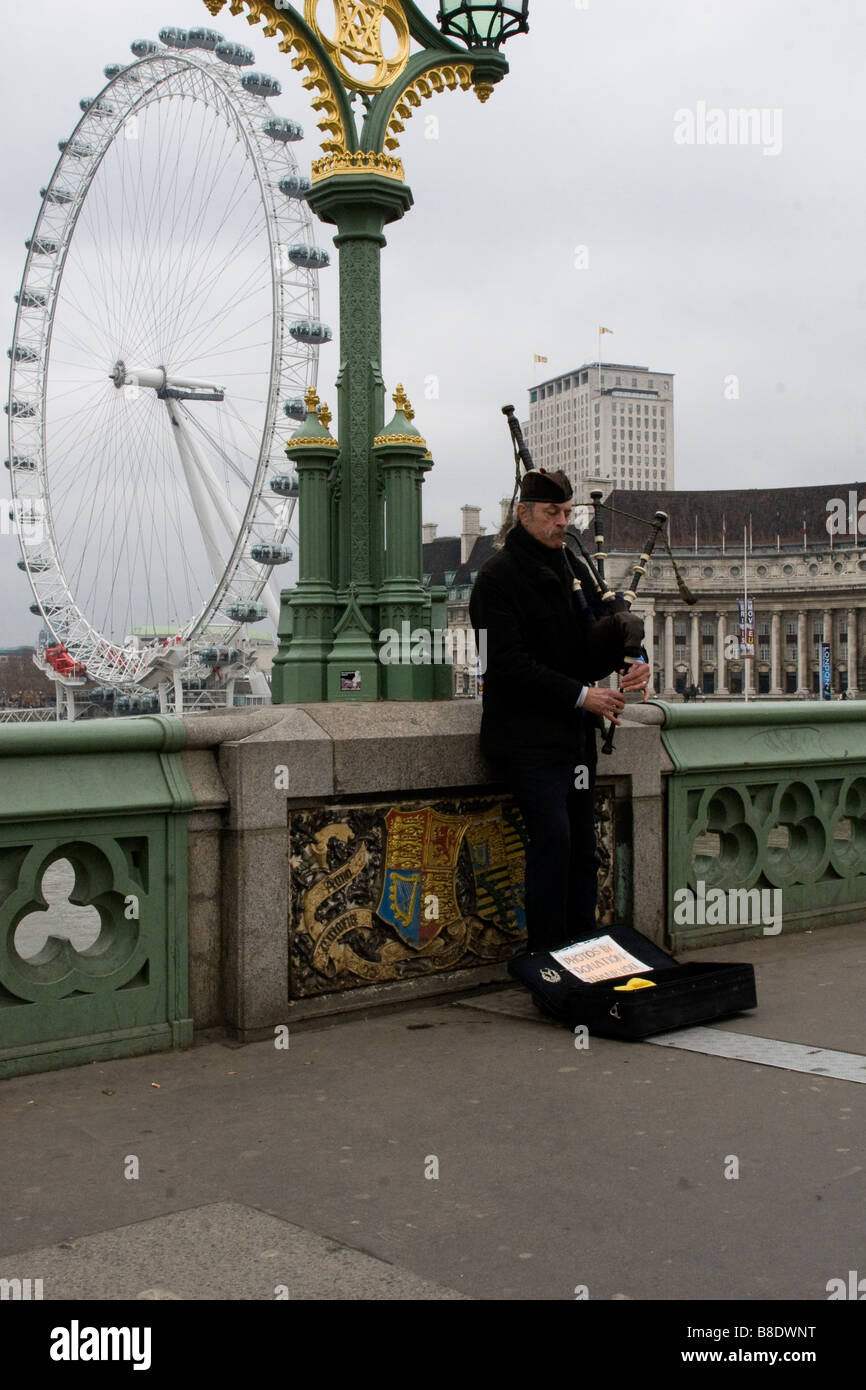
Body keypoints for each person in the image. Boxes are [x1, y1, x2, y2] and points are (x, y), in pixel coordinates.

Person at [469, 468, 651, 955]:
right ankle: (548, 958)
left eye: (567, 513)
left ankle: (584, 953)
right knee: (553, 841)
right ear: (523, 514)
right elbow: (502, 666)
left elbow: (609, 622)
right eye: (552, 513)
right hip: (526, 740)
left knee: (583, 850)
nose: (562, 522)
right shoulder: (494, 579)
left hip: (573, 738)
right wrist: (581, 695)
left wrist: (634, 657)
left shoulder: (573, 563)